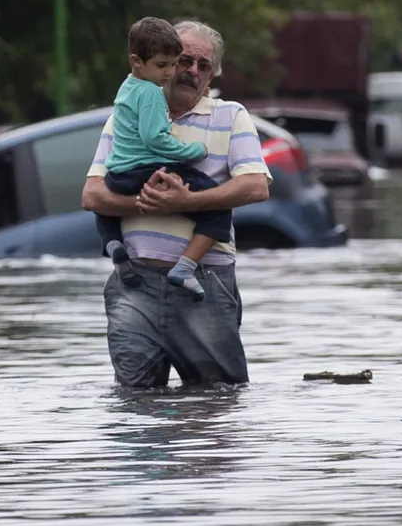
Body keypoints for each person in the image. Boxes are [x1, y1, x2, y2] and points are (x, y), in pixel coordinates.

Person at [81, 20, 272, 388]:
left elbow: (255, 187)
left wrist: (187, 200)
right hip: (135, 283)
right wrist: (148, 203)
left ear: (213, 74)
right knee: (134, 401)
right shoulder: (125, 115)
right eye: (184, 61)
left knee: (217, 399)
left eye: (204, 66)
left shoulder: (231, 116)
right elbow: (91, 195)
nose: (191, 72)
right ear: (161, 62)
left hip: (205, 283)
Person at [96, 17, 231, 302]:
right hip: (148, 170)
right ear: (136, 61)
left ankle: (113, 246)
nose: (170, 73)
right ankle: (185, 267)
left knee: (104, 209)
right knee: (220, 206)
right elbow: (155, 139)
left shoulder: (126, 88)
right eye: (167, 64)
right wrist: (193, 151)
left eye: (172, 64)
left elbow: (256, 187)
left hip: (119, 174)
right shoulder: (153, 94)